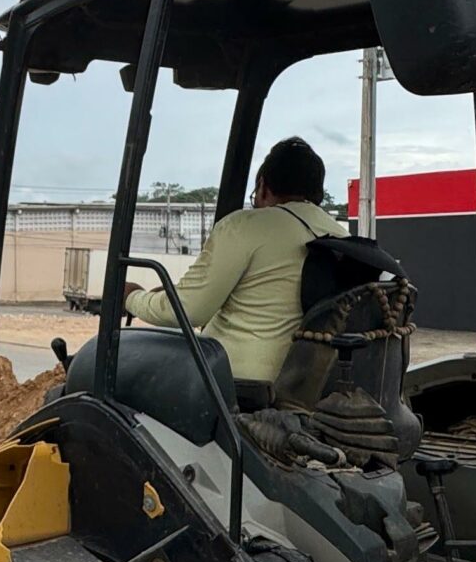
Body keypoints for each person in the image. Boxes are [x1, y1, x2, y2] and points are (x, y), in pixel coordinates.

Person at [122, 137, 346, 385]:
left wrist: (133, 298)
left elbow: (189, 311)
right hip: (306, 384)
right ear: (318, 193)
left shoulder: (246, 226)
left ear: (262, 187)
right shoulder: (340, 235)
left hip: (234, 385)